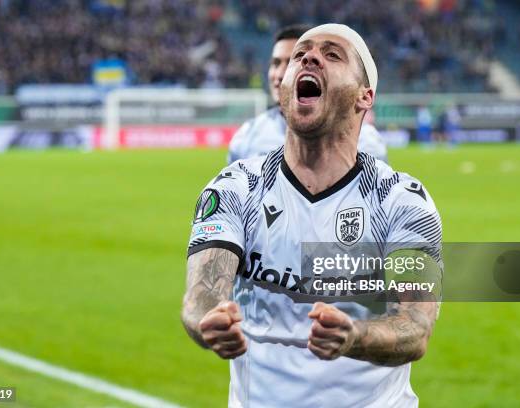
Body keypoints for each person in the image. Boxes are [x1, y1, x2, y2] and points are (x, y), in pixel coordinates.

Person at [182, 23, 442, 407]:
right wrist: (208, 321)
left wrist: (355, 336)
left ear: (363, 97)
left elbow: (415, 327)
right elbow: (200, 295)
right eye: (301, 54)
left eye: (332, 54)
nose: (308, 57)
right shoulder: (235, 188)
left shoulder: (403, 203)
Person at [228, 25, 388, 164]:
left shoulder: (367, 142)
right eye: (276, 63)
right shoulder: (248, 135)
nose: (280, 74)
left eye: (290, 60)